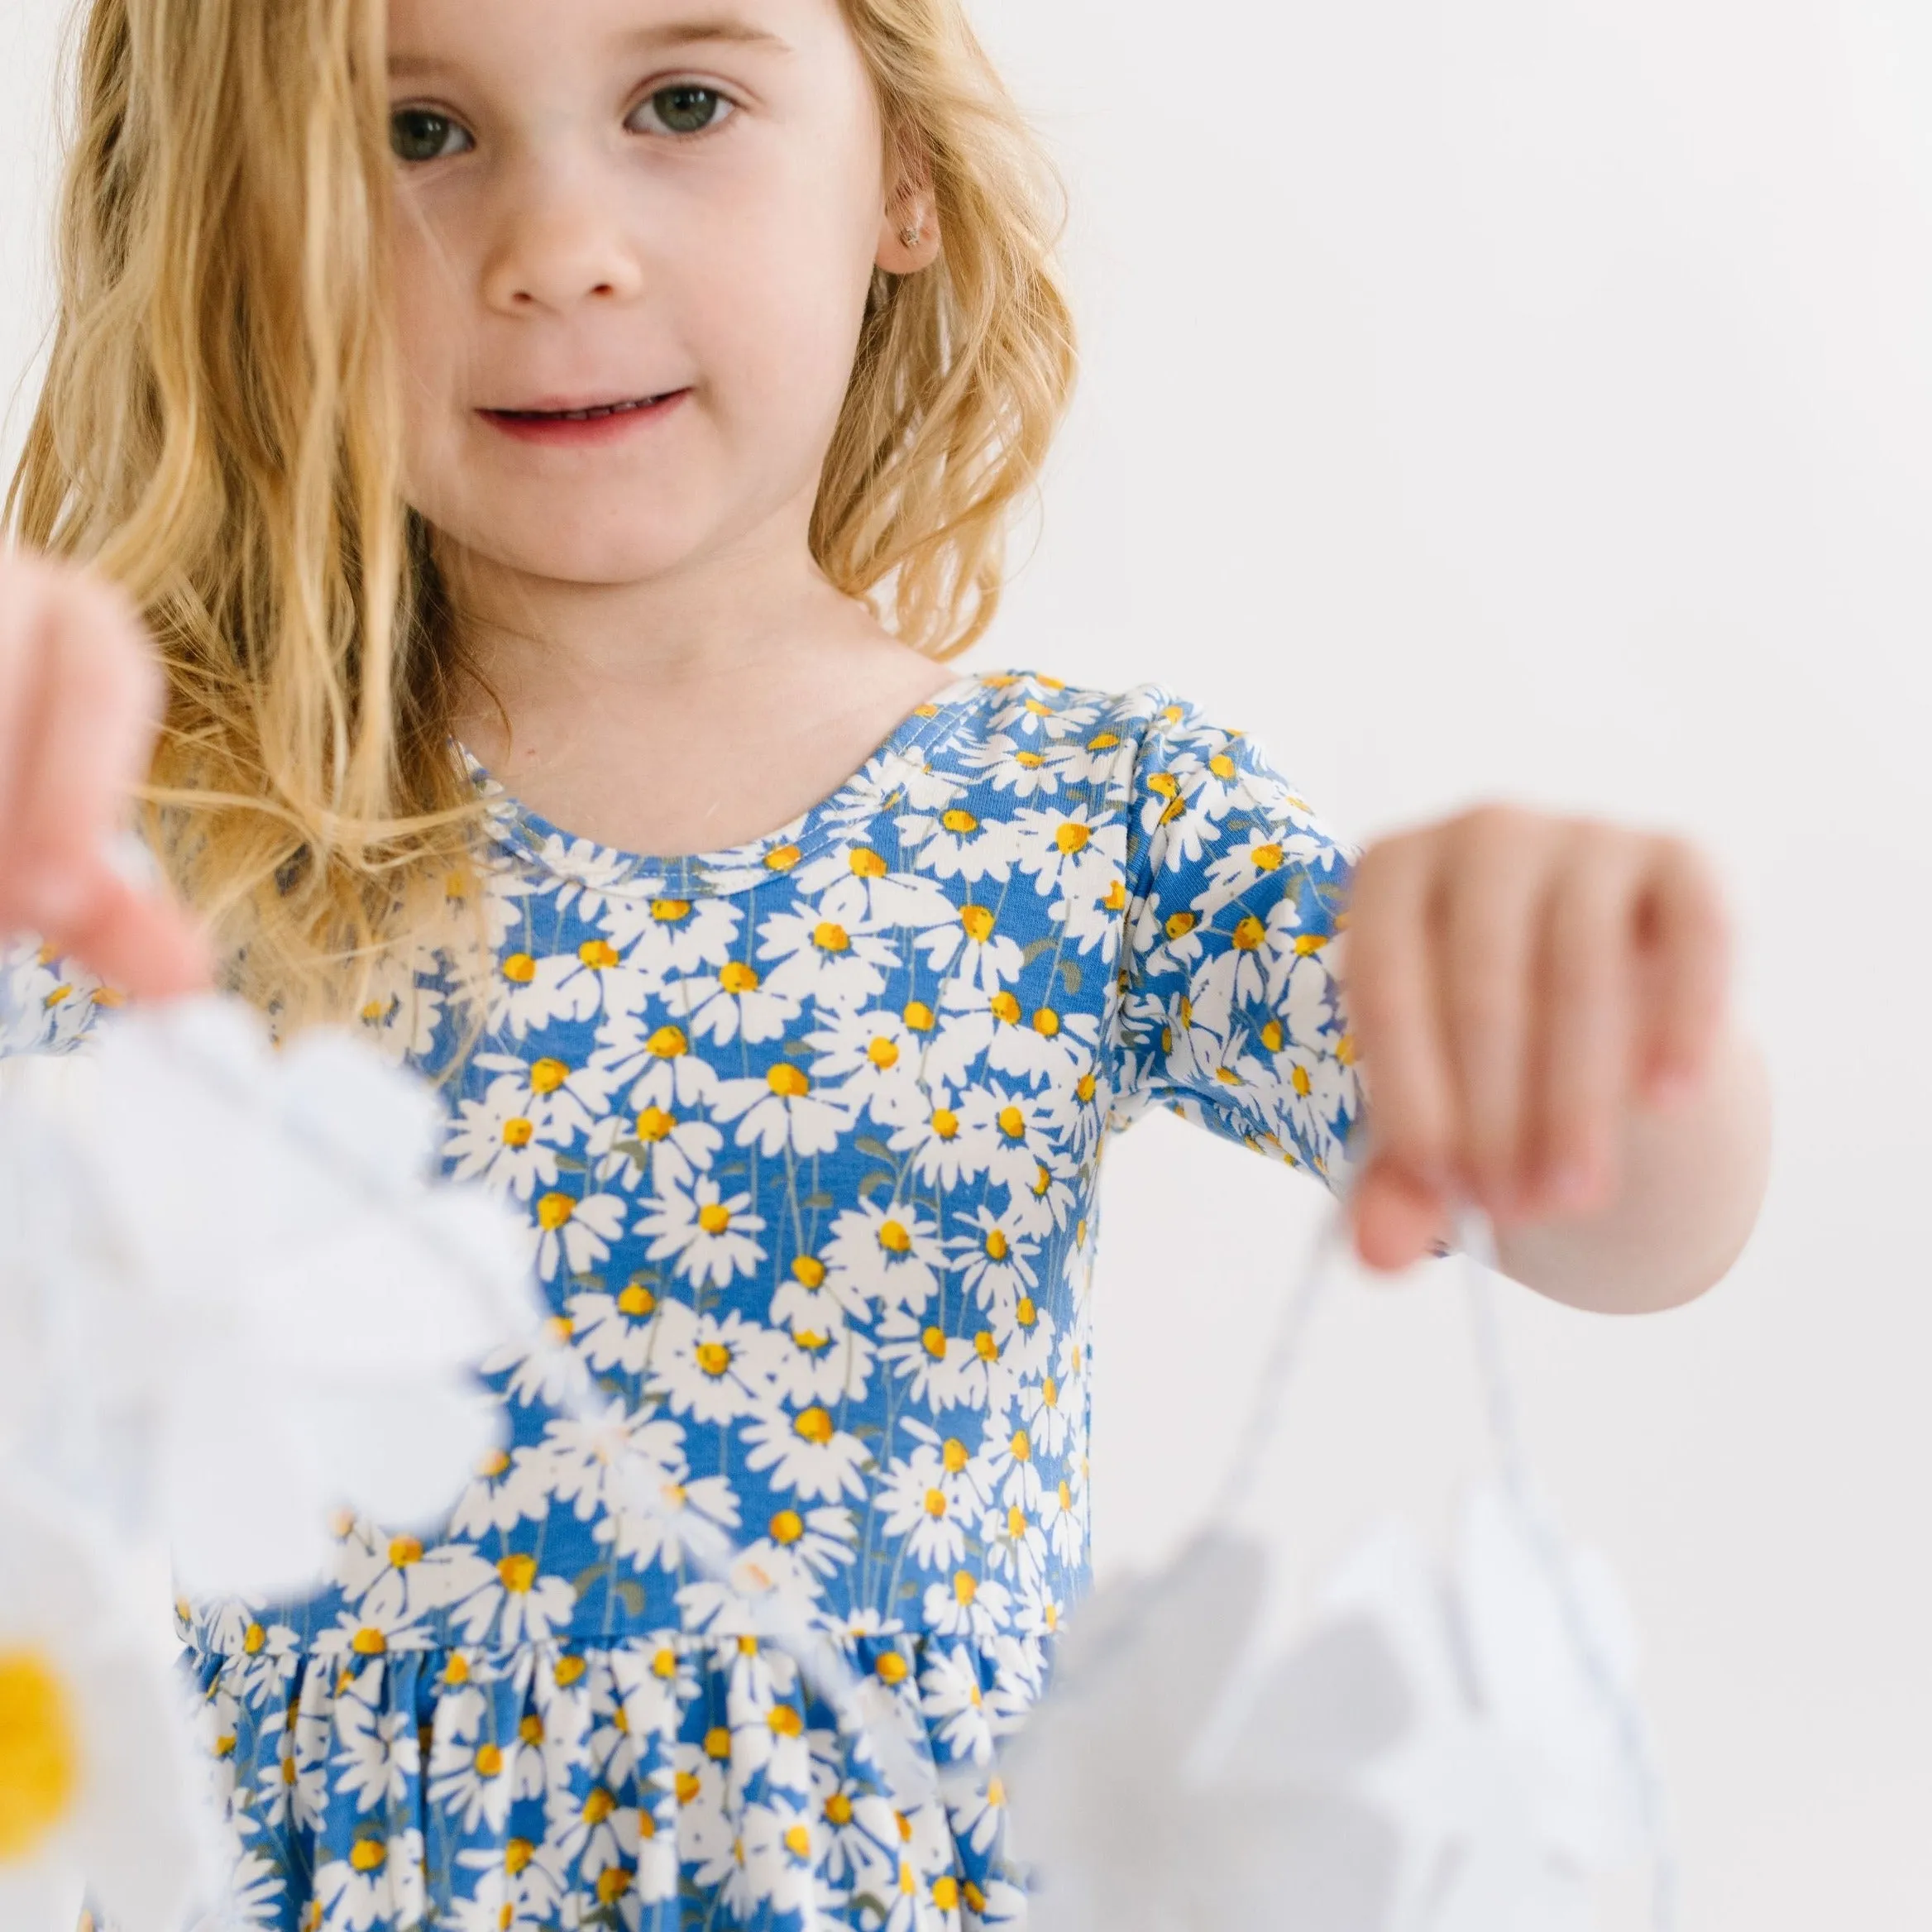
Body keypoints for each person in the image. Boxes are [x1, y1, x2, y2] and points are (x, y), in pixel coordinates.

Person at [0, 0, 1772, 1925]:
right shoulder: (139, 839)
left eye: (681, 103)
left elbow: (1619, 1225)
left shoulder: (1086, 814)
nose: (554, 246)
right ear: (234, 229)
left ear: (900, 176)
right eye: (418, 135)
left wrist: (1580, 1002)